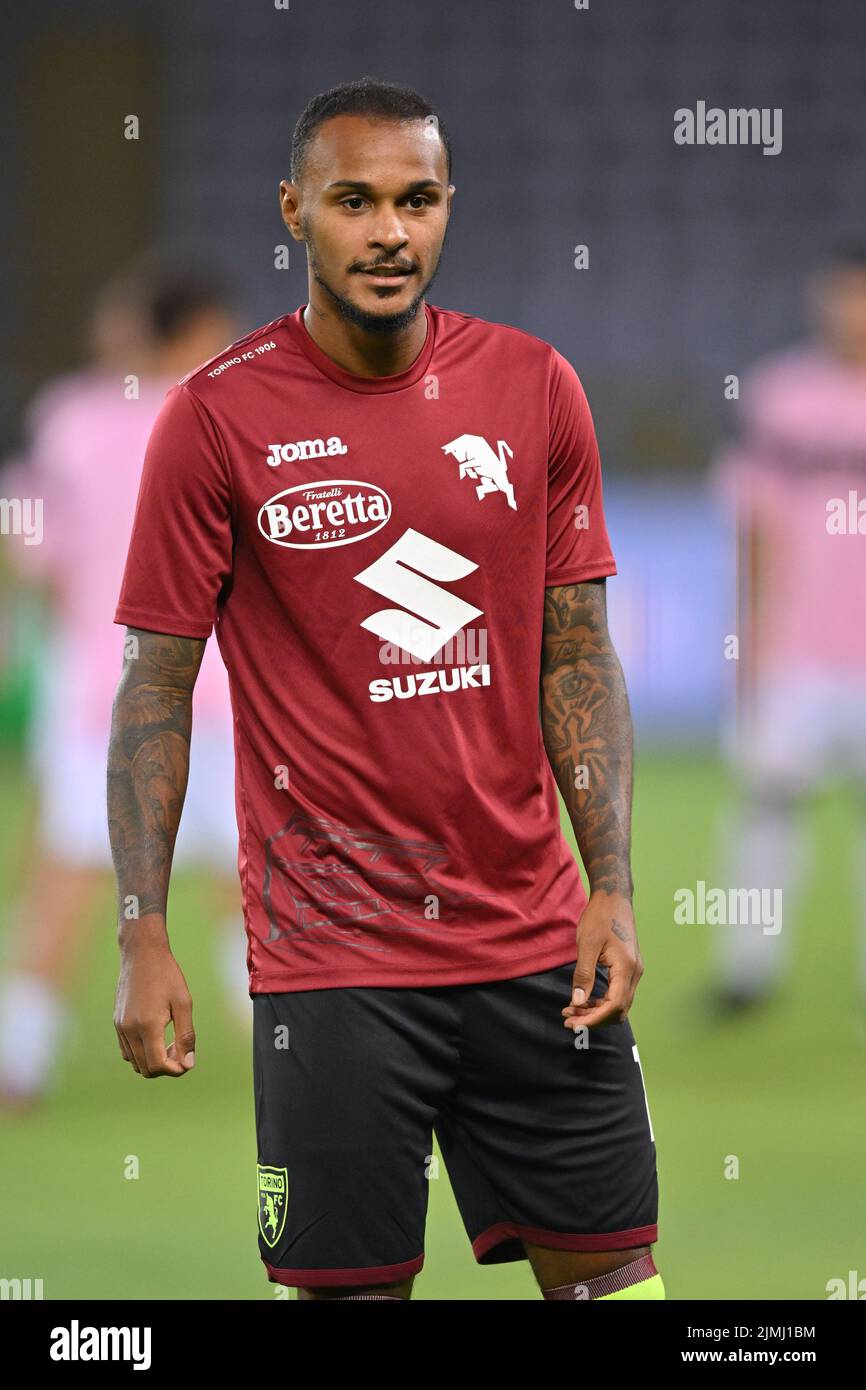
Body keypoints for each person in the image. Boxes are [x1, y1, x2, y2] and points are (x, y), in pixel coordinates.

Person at [108, 77, 662, 1302]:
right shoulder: (213, 421)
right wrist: (143, 927)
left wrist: (610, 885)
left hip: (532, 951)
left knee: (614, 1283)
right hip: (333, 965)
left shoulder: (533, 388)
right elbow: (156, 680)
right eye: (353, 201)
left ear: (447, 208)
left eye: (415, 200)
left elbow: (575, 652)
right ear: (294, 211)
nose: (387, 231)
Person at [0, 254, 247, 1107]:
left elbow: (31, 548)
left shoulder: (68, 417)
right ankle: (289, 1055)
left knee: (64, 878)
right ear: (196, 328)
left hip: (99, 695)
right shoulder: (225, 414)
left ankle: (17, 1062)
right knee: (248, 883)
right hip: (220, 690)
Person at [710, 243, 866, 1009]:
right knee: (768, 806)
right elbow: (753, 523)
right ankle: (747, 974)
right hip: (797, 651)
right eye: (842, 296)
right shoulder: (781, 394)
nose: (852, 312)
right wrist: (749, 637)